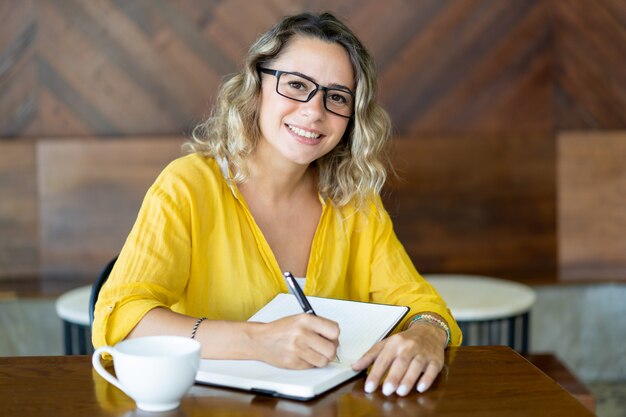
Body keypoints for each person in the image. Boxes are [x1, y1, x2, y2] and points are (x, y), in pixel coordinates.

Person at [93, 11, 461, 397]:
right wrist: (256, 340)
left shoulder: (354, 201)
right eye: (297, 85)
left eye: (336, 97)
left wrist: (427, 333)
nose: (314, 111)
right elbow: (121, 318)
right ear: (256, 87)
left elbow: (420, 302)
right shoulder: (187, 186)